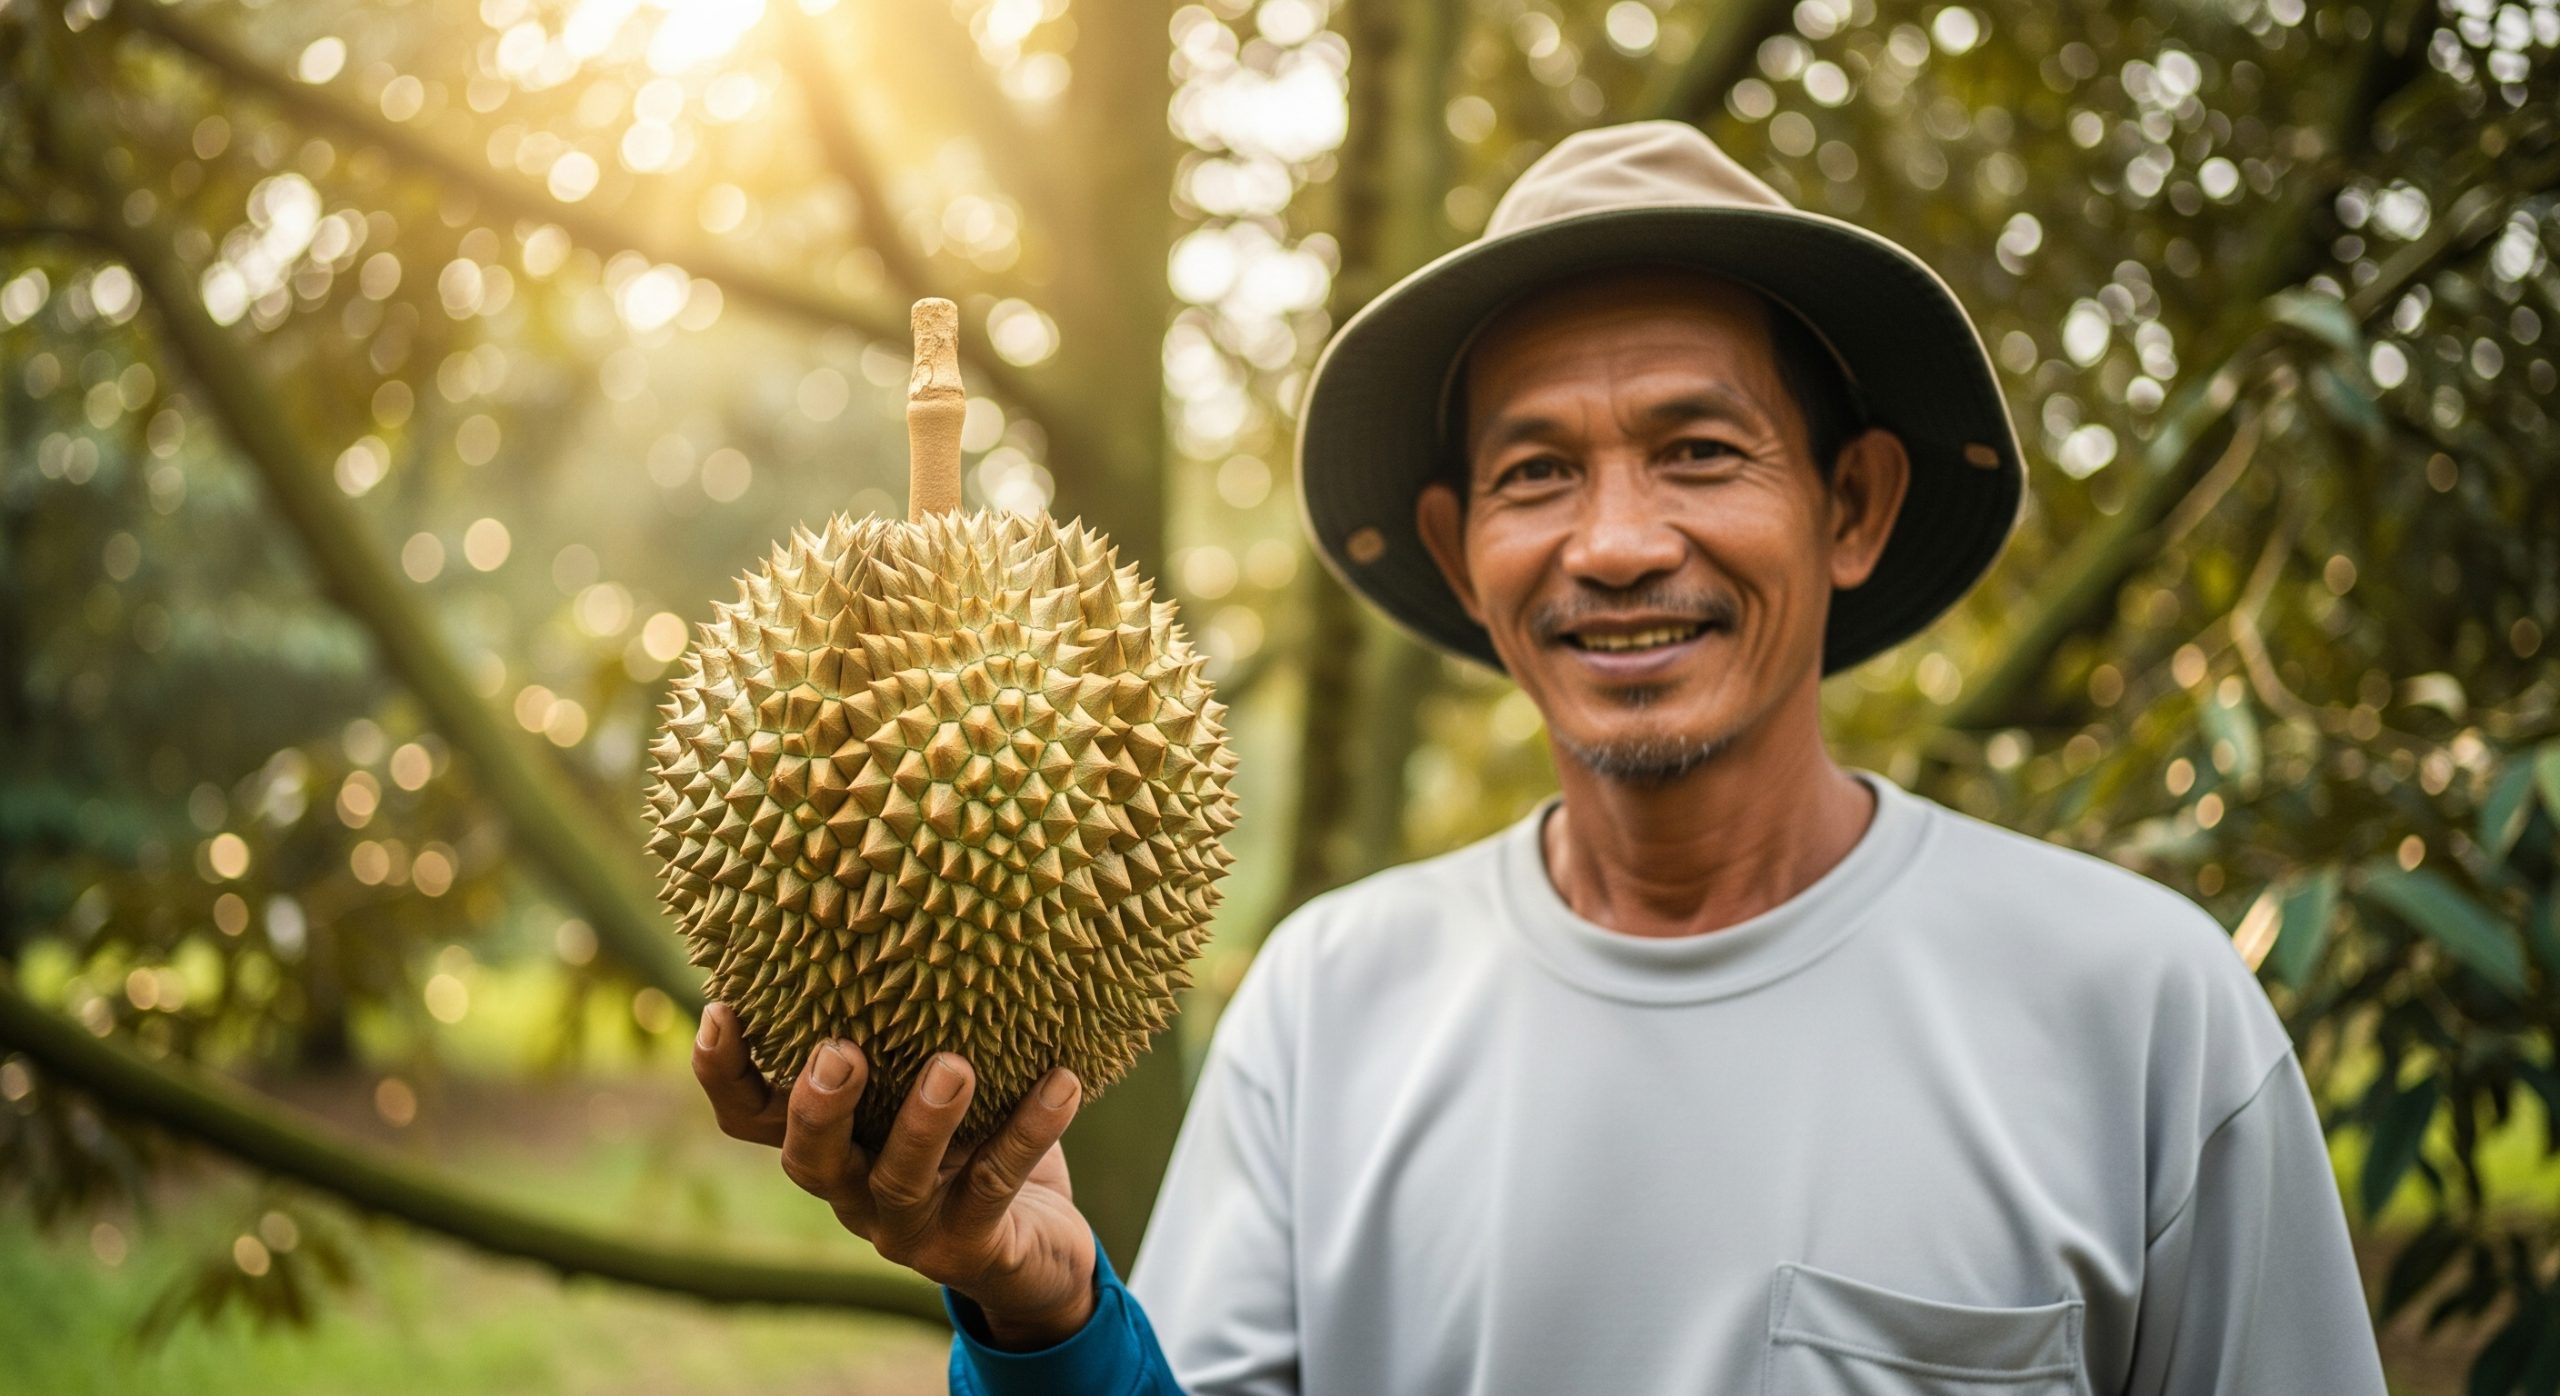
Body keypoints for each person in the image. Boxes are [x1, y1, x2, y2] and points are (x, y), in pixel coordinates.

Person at [690, 120, 2390, 1395]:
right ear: (1457, 546)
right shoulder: (1326, 1004)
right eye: (1534, 476)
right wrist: (1036, 1307)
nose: (1619, 542)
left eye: (1699, 448)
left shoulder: (2142, 1015)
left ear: (1853, 503)